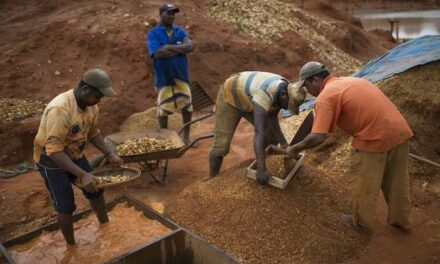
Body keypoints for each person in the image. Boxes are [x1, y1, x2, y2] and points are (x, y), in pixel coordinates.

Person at [286, 61, 413, 232]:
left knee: (363, 183)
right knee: (397, 181)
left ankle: (360, 223)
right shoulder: (352, 81)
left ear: (315, 79)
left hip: (373, 138)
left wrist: (294, 148)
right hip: (399, 131)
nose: (308, 91)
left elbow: (318, 137)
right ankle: (401, 220)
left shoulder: (325, 97)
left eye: (307, 85)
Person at [34, 69, 124, 245]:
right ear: (85, 88)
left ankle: (105, 227)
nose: (100, 100)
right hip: (52, 161)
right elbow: (54, 151)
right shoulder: (60, 109)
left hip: (75, 154)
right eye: (98, 95)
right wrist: (82, 174)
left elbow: (93, 133)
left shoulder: (91, 106)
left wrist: (110, 153)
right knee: (65, 205)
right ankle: (71, 246)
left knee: (96, 190)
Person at [209, 71, 306, 183]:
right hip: (231, 97)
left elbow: (272, 117)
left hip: (248, 98)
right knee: (222, 144)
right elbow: (258, 131)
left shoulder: (286, 89)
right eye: (287, 106)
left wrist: (284, 144)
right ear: (283, 94)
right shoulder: (265, 93)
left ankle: (265, 163)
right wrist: (260, 170)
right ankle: (211, 181)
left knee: (270, 135)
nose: (285, 109)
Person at [146, 3, 195, 143]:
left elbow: (190, 47)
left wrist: (168, 47)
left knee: (187, 106)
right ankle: (165, 138)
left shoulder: (179, 31)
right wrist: (179, 47)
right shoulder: (153, 34)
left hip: (181, 75)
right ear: (161, 14)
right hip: (164, 77)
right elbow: (158, 53)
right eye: (169, 13)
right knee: (163, 109)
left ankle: (186, 136)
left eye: (173, 13)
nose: (172, 16)